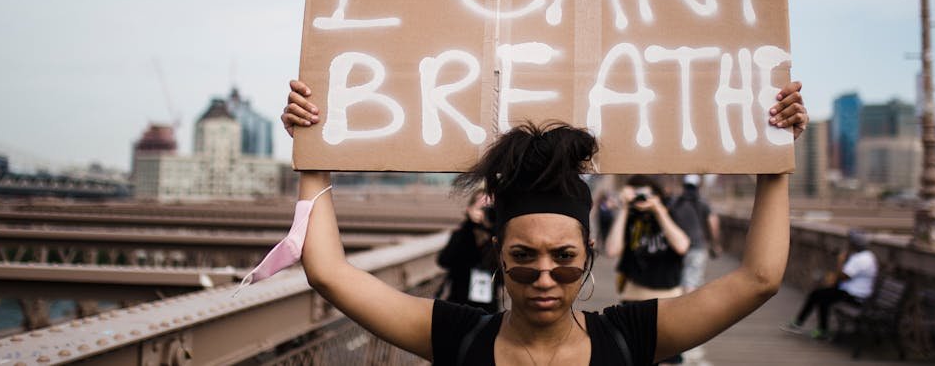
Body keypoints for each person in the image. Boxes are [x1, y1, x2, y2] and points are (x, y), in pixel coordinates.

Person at [281, 79, 807, 364]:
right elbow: (328, 272)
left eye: (565, 259)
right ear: (498, 257)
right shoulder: (457, 337)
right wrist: (313, 151)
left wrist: (775, 160)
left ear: (589, 256)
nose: (545, 278)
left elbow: (758, 278)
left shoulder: (629, 337)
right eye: (523, 258)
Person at [606, 174, 691, 302]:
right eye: (636, 194)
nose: (641, 198)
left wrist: (658, 210)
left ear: (657, 195)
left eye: (644, 194)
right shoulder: (629, 217)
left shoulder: (670, 213)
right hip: (633, 295)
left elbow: (682, 246)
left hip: (668, 296)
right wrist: (624, 208)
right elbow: (612, 251)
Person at [784, 229, 878, 339]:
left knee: (822, 298)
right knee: (817, 294)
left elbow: (843, 276)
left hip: (855, 296)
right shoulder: (867, 256)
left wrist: (840, 260)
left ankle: (818, 329)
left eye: (850, 242)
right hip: (850, 292)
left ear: (854, 244)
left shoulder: (861, 259)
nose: (848, 245)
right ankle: (801, 322)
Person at [438, 191, 501, 313]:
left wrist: (493, 228)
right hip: (460, 302)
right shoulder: (463, 234)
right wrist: (469, 224)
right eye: (483, 207)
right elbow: (444, 260)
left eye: (491, 207)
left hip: (488, 306)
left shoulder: (497, 237)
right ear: (470, 209)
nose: (487, 211)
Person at [670, 174, 722, 293]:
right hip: (698, 246)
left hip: (677, 248)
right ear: (698, 186)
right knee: (692, 280)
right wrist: (715, 243)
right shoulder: (703, 202)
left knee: (679, 280)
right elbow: (713, 222)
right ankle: (689, 309)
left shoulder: (675, 203)